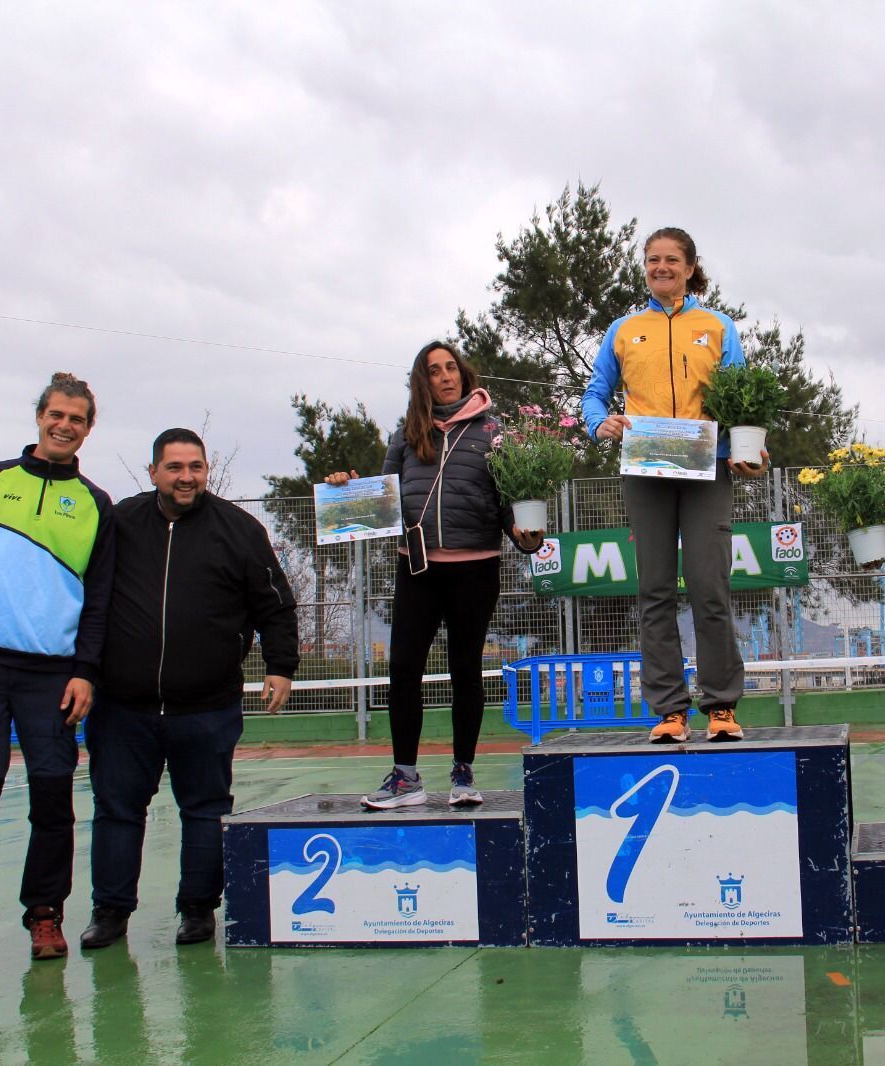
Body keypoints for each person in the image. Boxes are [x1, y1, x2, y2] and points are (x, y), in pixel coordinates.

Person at [81, 428, 298, 949]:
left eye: (195, 467)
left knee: (204, 810)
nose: (186, 477)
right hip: (122, 707)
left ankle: (198, 910)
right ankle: (110, 912)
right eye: (175, 467)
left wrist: (281, 665)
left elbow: (276, 605)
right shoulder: (119, 523)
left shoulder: (239, 530)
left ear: (206, 470)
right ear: (153, 471)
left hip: (207, 706)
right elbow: (88, 597)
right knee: (116, 811)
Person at [0, 372, 115, 968]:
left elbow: (100, 600)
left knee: (53, 799)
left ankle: (45, 915)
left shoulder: (96, 504)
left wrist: (86, 671)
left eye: (77, 419)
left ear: (88, 429)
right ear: (39, 417)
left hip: (53, 675)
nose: (64, 425)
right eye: (57, 414)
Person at [328, 341, 542, 810]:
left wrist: (523, 535)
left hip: (475, 567)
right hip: (417, 566)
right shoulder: (406, 434)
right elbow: (384, 500)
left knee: (465, 669)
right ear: (422, 381)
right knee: (404, 668)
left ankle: (463, 774)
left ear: (463, 374)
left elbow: (510, 500)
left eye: (451, 368)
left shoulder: (493, 431)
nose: (445, 376)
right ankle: (405, 777)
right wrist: (348, 491)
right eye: (434, 371)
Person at [582, 226, 768, 744]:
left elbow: (742, 397)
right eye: (652, 260)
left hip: (708, 467)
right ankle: (669, 709)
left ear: (689, 268)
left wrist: (749, 448)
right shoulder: (623, 329)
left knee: (710, 586)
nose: (661, 267)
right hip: (645, 468)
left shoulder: (718, 326)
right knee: (655, 591)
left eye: (671, 259)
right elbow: (595, 393)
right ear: (645, 267)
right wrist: (599, 422)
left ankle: (722, 706)